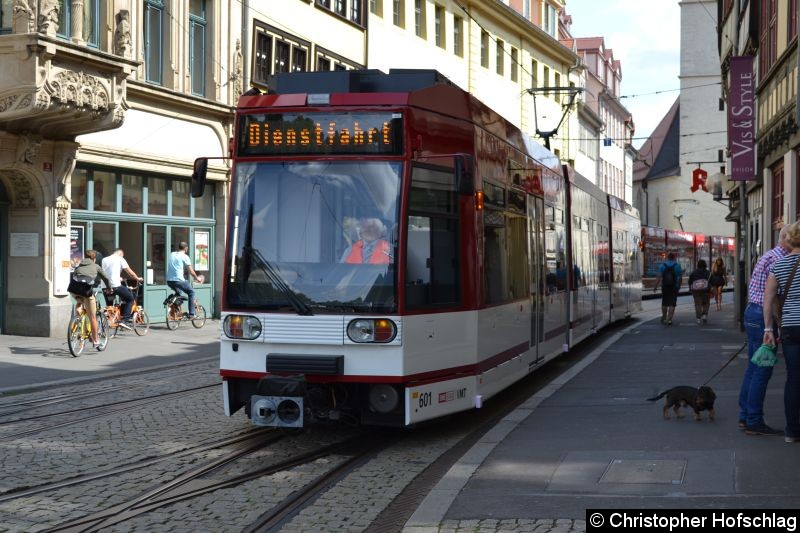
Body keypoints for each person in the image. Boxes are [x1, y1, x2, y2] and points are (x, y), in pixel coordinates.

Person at [739, 224, 790, 436]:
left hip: (753, 312)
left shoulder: (770, 254)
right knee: (762, 370)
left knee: (753, 367)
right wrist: (776, 326)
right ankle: (753, 420)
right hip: (763, 316)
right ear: (787, 238)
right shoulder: (781, 259)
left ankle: (745, 416)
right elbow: (774, 297)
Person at [763, 221, 800, 443]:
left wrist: (768, 328)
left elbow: (768, 300)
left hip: (789, 328)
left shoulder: (779, 265)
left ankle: (792, 431)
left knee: (794, 378)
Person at [71, 250, 110, 348]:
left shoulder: (78, 266)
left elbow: (74, 277)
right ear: (94, 258)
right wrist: (110, 288)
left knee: (79, 300)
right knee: (92, 317)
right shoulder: (96, 266)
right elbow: (106, 278)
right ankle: (96, 340)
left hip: (74, 290)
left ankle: (78, 318)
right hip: (87, 292)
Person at [101, 248, 143, 327]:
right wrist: (137, 278)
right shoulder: (120, 259)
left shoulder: (104, 259)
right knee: (130, 299)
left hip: (105, 287)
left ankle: (107, 325)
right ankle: (124, 320)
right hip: (115, 286)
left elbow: (107, 272)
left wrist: (119, 277)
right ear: (120, 254)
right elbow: (129, 272)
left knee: (110, 305)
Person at [167, 241, 202, 318]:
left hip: (169, 281)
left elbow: (175, 266)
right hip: (179, 281)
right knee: (191, 292)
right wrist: (197, 278)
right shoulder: (185, 256)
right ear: (186, 248)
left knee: (179, 293)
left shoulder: (172, 254)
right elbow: (190, 270)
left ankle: (174, 309)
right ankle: (192, 314)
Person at [654, 252, 682, 325]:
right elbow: (679, 278)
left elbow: (659, 277)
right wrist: (678, 286)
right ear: (674, 258)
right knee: (672, 303)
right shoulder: (677, 266)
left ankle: (664, 317)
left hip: (665, 286)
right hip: (674, 287)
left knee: (664, 302)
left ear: (667, 257)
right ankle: (669, 319)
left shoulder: (662, 266)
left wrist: (655, 287)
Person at [688, 259, 711, 325]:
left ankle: (698, 318)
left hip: (696, 291)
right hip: (706, 290)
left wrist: (690, 288)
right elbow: (711, 281)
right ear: (705, 265)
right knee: (706, 303)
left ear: (698, 265)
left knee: (698, 304)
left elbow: (690, 282)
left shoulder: (693, 273)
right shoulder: (708, 273)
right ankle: (704, 315)